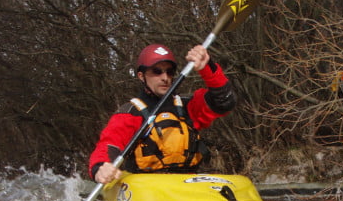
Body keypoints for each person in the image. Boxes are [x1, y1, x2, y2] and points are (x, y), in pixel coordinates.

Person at [89, 43, 236, 184]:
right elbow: (109, 146)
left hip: (188, 184)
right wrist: (101, 167)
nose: (165, 77)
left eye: (169, 72)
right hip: (147, 188)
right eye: (156, 71)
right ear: (141, 76)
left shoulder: (187, 106)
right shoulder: (130, 114)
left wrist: (207, 67)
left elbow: (224, 101)